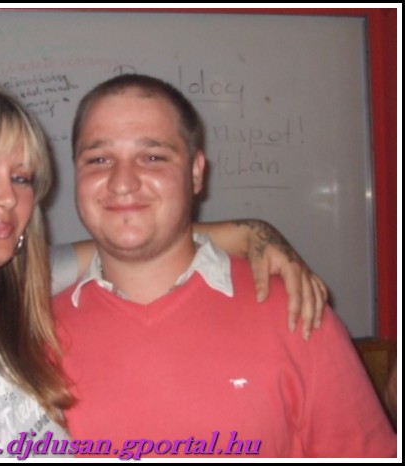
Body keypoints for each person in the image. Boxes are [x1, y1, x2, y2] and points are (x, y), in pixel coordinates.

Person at [0, 79, 324, 458]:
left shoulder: (17, 298)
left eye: (22, 178)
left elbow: (137, 237)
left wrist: (254, 231)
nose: (8, 198)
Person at [54, 74, 396, 457]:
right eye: (99, 160)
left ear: (196, 173)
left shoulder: (295, 312)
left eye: (152, 157)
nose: (122, 182)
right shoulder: (35, 337)